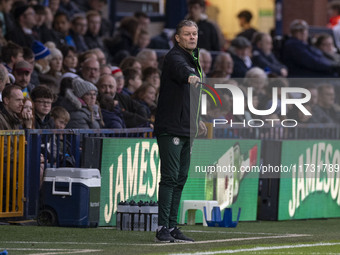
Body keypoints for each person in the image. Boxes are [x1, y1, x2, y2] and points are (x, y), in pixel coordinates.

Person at [154, 19, 207, 243]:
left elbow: (189, 96)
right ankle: (161, 227)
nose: (192, 37)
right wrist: (190, 75)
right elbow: (180, 71)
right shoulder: (176, 57)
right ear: (177, 37)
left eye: (194, 33)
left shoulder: (193, 58)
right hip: (171, 127)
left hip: (186, 127)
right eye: (187, 34)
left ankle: (173, 226)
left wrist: (198, 119)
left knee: (181, 178)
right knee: (170, 177)